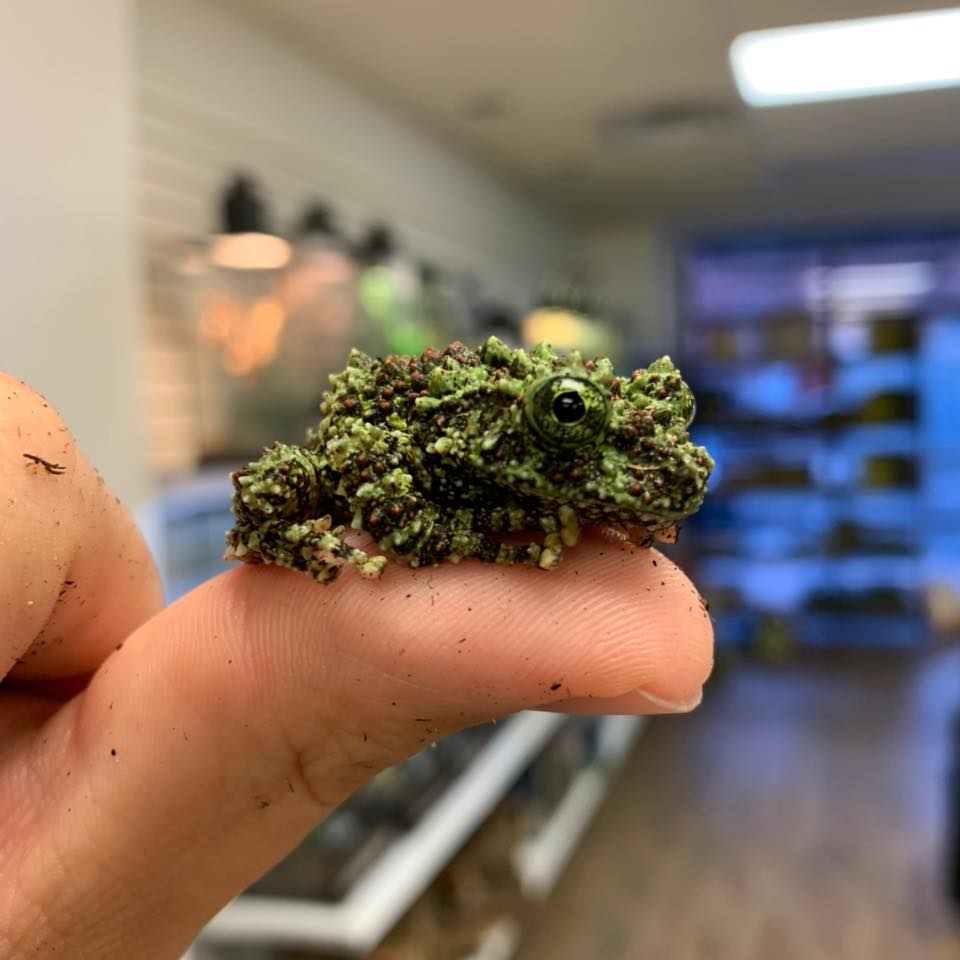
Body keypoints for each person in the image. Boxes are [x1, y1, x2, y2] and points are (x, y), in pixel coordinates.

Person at [0, 372, 713, 958]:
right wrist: (484, 535)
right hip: (358, 461)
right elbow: (378, 477)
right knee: (281, 485)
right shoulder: (449, 434)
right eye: (568, 414)